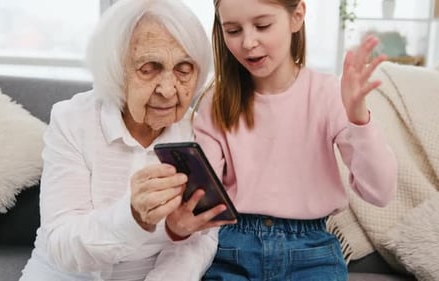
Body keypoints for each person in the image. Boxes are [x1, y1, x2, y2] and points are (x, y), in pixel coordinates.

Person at [20, 0, 234, 280]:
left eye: (184, 69)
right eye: (149, 68)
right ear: (116, 69)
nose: (169, 90)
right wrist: (132, 217)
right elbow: (61, 243)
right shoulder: (71, 119)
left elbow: (201, 238)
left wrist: (177, 234)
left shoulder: (199, 131)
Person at [193, 0, 398, 280]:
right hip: (233, 250)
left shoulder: (327, 94)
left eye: (262, 25)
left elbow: (380, 192)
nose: (248, 42)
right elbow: (201, 201)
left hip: (311, 252)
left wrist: (358, 118)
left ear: (297, 16)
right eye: (232, 30)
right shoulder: (214, 103)